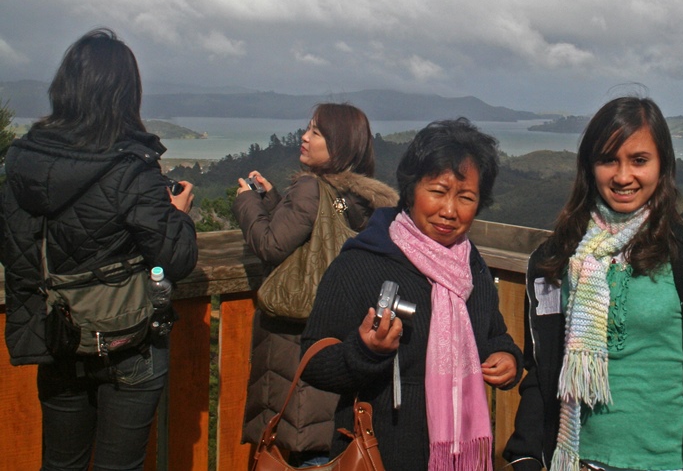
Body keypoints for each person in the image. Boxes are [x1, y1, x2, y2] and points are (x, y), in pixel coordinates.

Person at [502, 97, 683, 471]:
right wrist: (525, 454)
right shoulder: (559, 257)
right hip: (576, 461)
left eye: (639, 160)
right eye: (608, 160)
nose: (623, 177)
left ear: (663, 166)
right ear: (590, 167)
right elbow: (544, 368)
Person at [1, 28, 198, 470]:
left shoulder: (23, 161)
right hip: (130, 341)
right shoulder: (130, 166)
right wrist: (178, 213)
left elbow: (14, 247)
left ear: (65, 88)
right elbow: (178, 258)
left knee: (60, 463)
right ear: (126, 94)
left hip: (58, 335)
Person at [301, 117, 524, 471]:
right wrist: (364, 352)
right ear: (410, 190)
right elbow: (312, 362)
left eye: (466, 197)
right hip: (381, 453)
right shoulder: (363, 263)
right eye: (437, 191)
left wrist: (507, 358)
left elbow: (493, 334)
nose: (449, 211)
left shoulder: (472, 269)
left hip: (458, 457)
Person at [233, 102, 399, 466]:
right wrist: (277, 201)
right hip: (344, 334)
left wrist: (247, 203)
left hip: (295, 339)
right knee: (326, 443)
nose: (304, 138)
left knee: (298, 447)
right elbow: (322, 233)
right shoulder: (363, 199)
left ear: (338, 145)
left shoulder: (311, 188)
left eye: (316, 132)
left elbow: (271, 244)